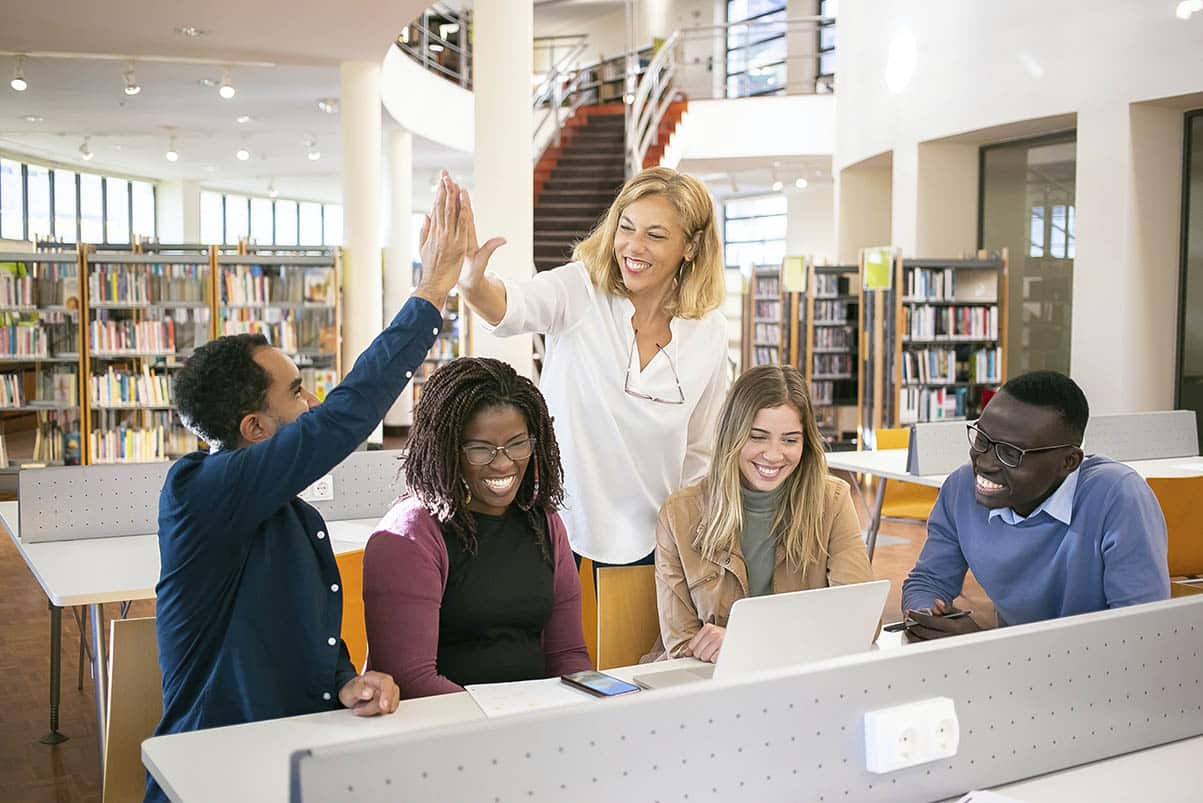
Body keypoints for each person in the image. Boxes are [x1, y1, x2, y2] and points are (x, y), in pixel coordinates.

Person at [148, 173, 469, 802]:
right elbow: (341, 419)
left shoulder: (289, 513)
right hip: (215, 775)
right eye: (296, 392)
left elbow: (297, 631)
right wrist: (430, 293)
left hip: (296, 757)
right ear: (254, 427)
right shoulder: (199, 492)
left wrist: (343, 681)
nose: (313, 402)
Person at [457, 166, 729, 569]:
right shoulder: (581, 290)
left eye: (655, 235)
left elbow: (701, 451)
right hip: (558, 530)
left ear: (691, 247)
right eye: (627, 227)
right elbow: (514, 305)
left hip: (656, 543)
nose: (633, 247)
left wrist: (690, 542)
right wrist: (473, 286)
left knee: (634, 636)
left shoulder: (709, 331)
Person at [363, 357, 592, 698]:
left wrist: (593, 702)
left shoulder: (544, 522)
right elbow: (410, 679)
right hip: (445, 730)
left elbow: (567, 655)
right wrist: (505, 722)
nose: (502, 463)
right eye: (481, 450)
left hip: (532, 723)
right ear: (447, 449)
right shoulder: (410, 534)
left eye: (517, 444)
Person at [902, 370, 1171, 640]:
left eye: (1010, 453)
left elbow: (1141, 636)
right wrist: (926, 614)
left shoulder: (1118, 497)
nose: (984, 462)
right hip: (1017, 671)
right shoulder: (961, 488)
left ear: (1068, 462)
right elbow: (928, 581)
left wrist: (983, 647)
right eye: (982, 439)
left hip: (1101, 673)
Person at [653, 365, 874, 662]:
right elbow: (681, 647)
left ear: (805, 443)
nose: (773, 455)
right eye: (758, 437)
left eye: (790, 440)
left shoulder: (832, 501)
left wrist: (746, 643)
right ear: (733, 435)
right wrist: (792, 641)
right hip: (710, 685)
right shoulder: (678, 514)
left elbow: (862, 622)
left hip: (801, 679)